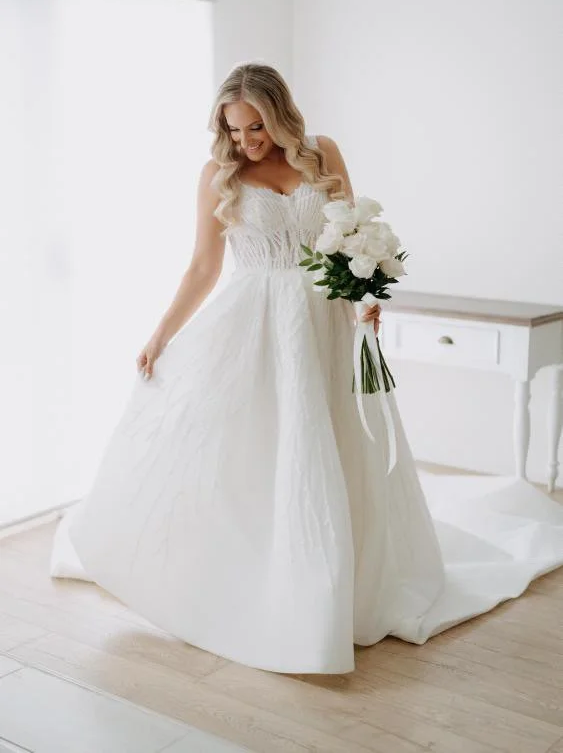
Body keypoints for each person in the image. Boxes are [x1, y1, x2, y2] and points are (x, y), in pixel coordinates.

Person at [50, 61, 563, 675]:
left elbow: (351, 239)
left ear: (279, 113)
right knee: (258, 448)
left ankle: (342, 581)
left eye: (255, 128)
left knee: (336, 444)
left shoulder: (323, 153)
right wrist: (160, 335)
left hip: (324, 322)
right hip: (256, 323)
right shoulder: (219, 174)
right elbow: (203, 268)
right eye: (234, 131)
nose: (246, 142)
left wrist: (365, 302)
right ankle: (263, 579)